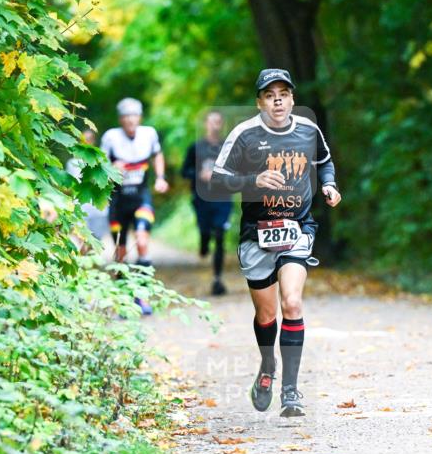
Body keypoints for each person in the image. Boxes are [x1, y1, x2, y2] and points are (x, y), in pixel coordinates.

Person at [209, 69, 341, 418]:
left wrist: (329, 186)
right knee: (267, 314)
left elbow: (325, 163)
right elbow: (218, 182)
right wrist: (253, 180)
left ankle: (291, 390)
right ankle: (268, 365)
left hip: (298, 228)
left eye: (284, 93)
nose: (278, 100)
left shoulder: (308, 131)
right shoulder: (244, 135)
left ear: (293, 99)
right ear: (260, 102)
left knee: (292, 303)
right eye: (270, 95)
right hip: (257, 234)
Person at [100, 98, 169, 315]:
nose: (130, 120)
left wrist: (160, 177)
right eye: (126, 116)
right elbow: (99, 165)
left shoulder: (149, 134)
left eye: (134, 116)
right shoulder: (111, 137)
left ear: (139, 118)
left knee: (142, 241)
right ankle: (123, 302)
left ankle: (142, 295)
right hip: (118, 201)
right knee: (120, 253)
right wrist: (112, 167)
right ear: (120, 120)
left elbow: (158, 154)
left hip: (141, 197)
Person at [181, 110, 232, 296]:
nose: (214, 125)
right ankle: (203, 241)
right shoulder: (196, 147)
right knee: (205, 231)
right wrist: (199, 175)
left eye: (218, 122)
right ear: (205, 124)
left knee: (220, 234)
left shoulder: (228, 147)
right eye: (211, 122)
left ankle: (217, 279)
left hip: (223, 198)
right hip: (201, 199)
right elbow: (184, 171)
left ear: (222, 124)